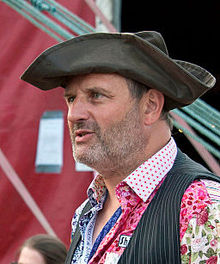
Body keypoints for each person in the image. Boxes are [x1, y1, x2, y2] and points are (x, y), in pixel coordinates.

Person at [21, 31, 220, 264]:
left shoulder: (203, 204)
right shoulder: (88, 211)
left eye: (96, 95)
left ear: (150, 106)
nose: (74, 115)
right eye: (72, 99)